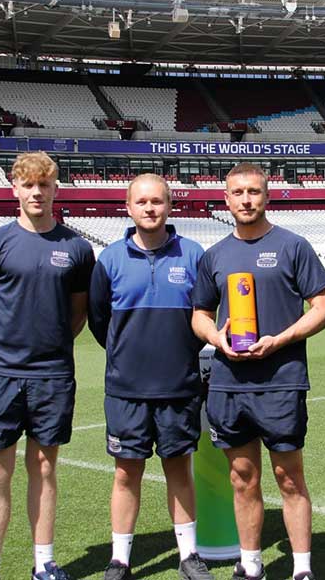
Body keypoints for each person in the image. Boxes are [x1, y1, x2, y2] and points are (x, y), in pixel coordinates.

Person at [191, 163, 325, 580]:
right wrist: (217, 339)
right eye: (238, 193)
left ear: (267, 196)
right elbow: (199, 315)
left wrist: (280, 339)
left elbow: (324, 309)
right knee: (242, 477)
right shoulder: (215, 255)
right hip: (229, 383)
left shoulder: (293, 246)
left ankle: (302, 568)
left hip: (281, 380)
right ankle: (250, 564)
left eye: (254, 191)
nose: (246, 199)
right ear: (226, 199)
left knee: (289, 477)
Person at [0, 152, 96, 580]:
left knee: (44, 467)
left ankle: (44, 564)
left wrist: (48, 350)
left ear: (56, 189)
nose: (37, 192)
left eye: (44, 184)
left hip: (51, 377)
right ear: (14, 189)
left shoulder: (76, 249)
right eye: (28, 184)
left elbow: (77, 314)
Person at [87, 174, 213, 580]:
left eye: (157, 201)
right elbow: (99, 321)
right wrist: (127, 355)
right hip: (126, 388)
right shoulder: (109, 260)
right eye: (141, 201)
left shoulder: (193, 255)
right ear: (128, 207)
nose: (150, 208)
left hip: (179, 386)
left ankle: (188, 556)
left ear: (169, 206)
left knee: (179, 468)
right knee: (127, 472)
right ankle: (120, 559)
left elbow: (206, 314)